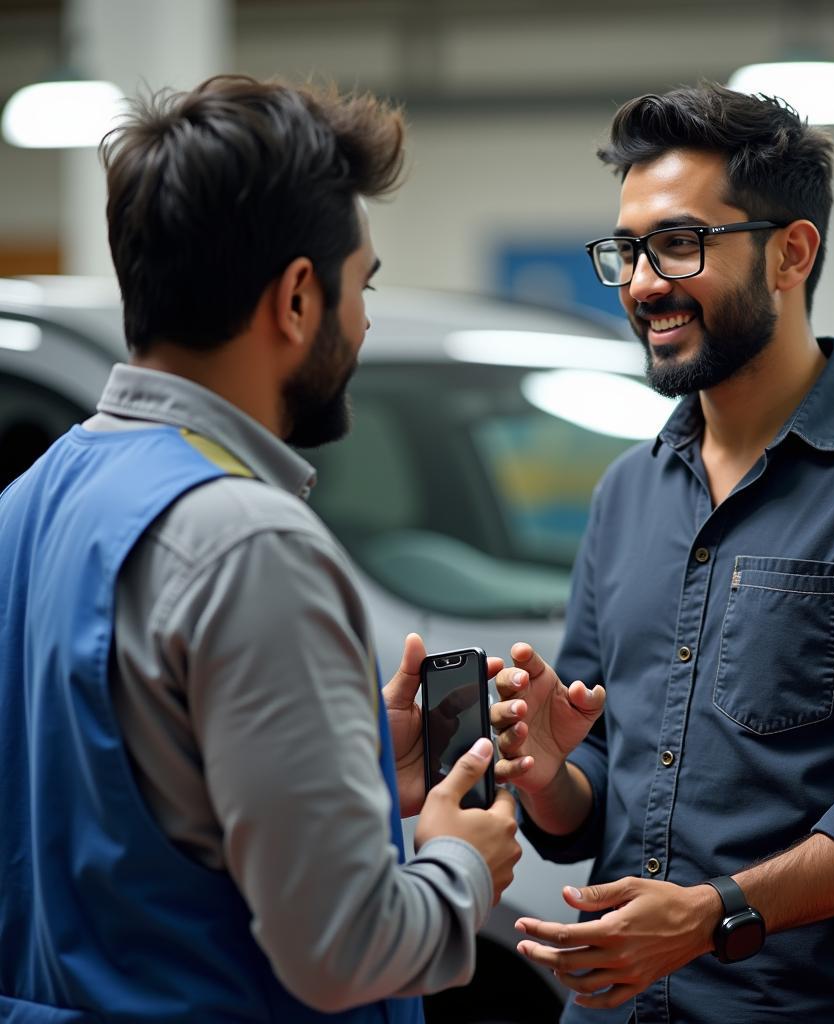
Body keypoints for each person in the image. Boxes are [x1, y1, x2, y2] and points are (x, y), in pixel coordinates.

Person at [489, 83, 834, 1024]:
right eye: (628, 251)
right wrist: (545, 772)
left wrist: (716, 916)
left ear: (791, 252)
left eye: (681, 244)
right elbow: (598, 794)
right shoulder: (628, 494)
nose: (645, 282)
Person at [0, 75, 521, 1023]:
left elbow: (115, 813)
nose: (361, 321)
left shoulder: (25, 504)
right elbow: (344, 951)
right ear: (295, 299)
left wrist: (351, 758)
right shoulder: (250, 547)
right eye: (362, 285)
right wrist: (462, 864)